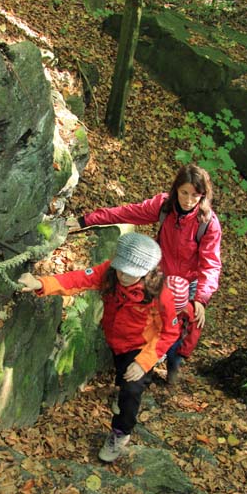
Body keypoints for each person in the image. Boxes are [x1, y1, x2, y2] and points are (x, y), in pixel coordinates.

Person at [18, 232, 180, 462]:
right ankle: (122, 390)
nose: (123, 275)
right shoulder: (110, 274)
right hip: (115, 340)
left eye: (130, 272)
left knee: (132, 389)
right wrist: (41, 283)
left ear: (146, 272)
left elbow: (170, 332)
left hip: (143, 347)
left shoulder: (160, 293)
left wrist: (143, 363)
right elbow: (77, 280)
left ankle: (121, 432)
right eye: (120, 268)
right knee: (122, 374)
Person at [67, 164, 222, 383]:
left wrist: (201, 299)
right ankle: (141, 367)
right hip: (159, 276)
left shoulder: (208, 224)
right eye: (184, 193)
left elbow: (211, 264)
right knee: (151, 319)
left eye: (195, 195)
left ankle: (174, 363)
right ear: (176, 189)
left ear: (203, 195)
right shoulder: (163, 207)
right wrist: (86, 220)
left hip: (190, 283)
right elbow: (127, 212)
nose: (188, 200)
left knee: (189, 325)